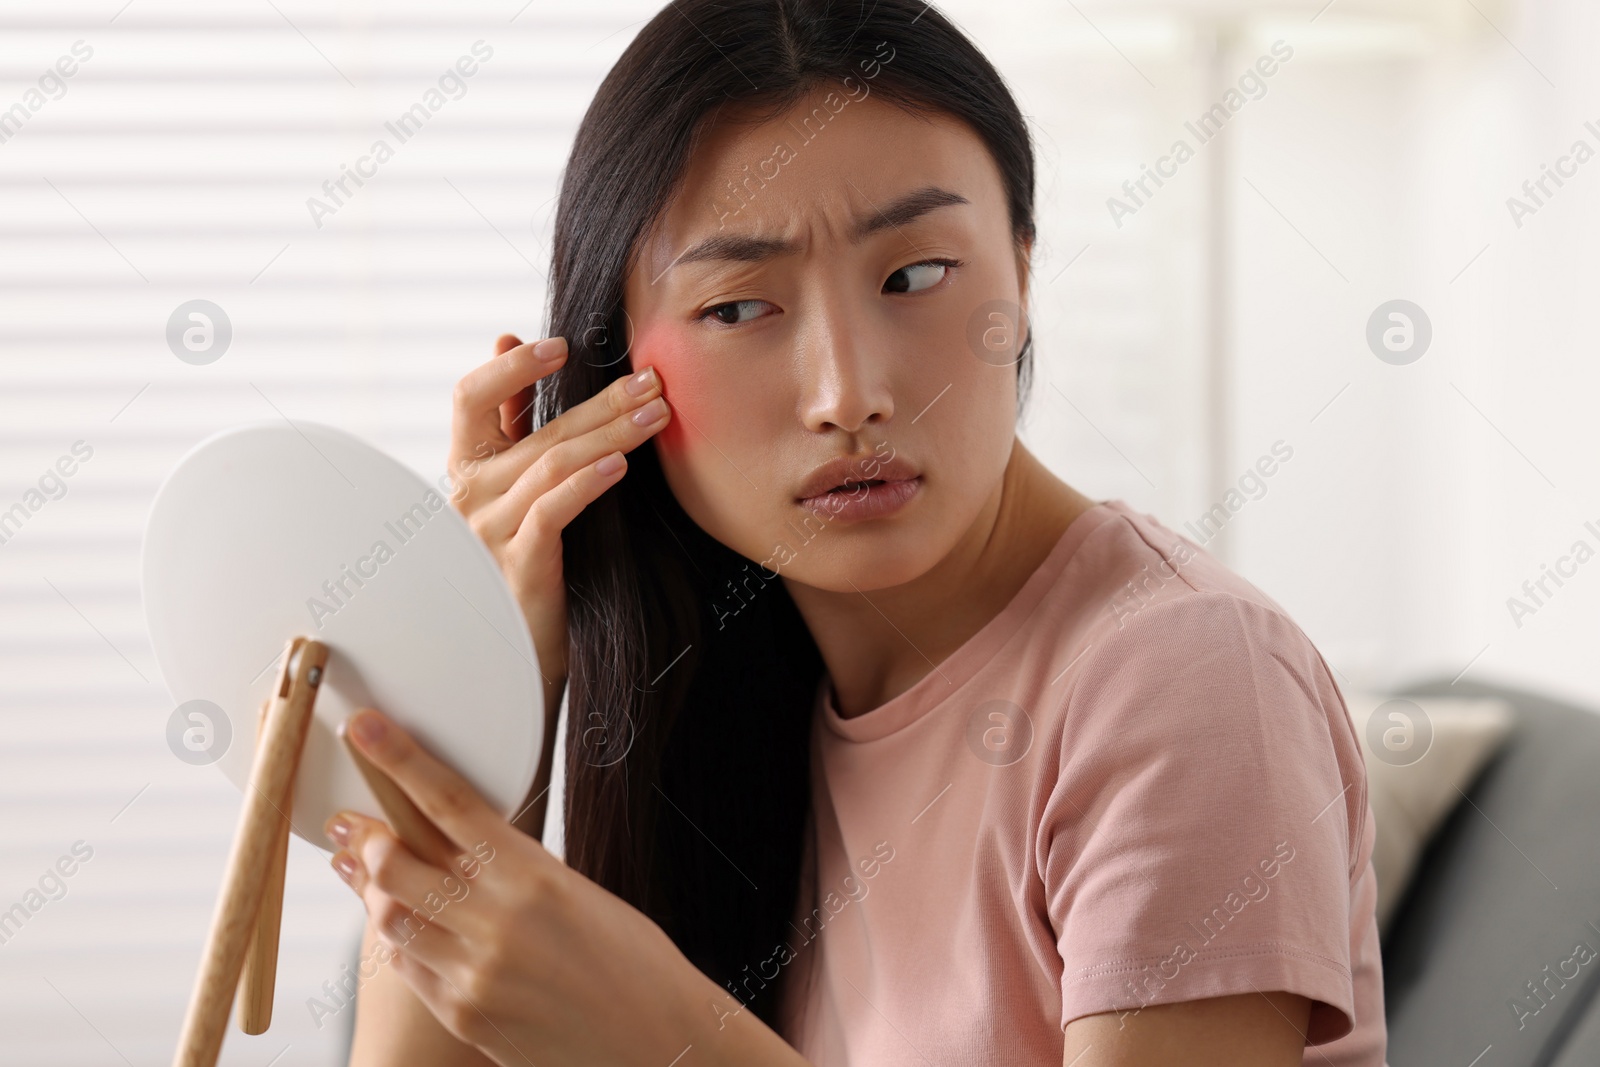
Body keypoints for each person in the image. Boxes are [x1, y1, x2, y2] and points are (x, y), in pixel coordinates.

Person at [325, 1, 1386, 1063]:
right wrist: (493, 675)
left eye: (914, 275)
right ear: (615, 373)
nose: (850, 392)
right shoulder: (735, 678)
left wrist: (666, 1038)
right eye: (739, 309)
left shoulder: (1184, 676)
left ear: (1020, 276)